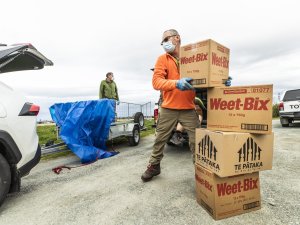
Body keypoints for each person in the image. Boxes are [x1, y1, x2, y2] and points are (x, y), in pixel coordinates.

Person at [141, 29, 200, 182]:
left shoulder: (193, 58)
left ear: (177, 38)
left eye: (166, 39)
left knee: (197, 141)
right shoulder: (163, 59)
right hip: (169, 107)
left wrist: (221, 80)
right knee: (160, 138)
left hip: (188, 108)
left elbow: (205, 78)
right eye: (163, 42)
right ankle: (154, 166)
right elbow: (156, 82)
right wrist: (176, 83)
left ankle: (201, 173)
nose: (164, 44)